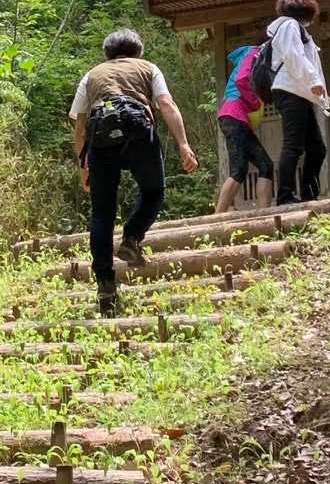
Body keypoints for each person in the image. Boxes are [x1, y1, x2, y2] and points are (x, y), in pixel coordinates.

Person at [69, 29, 198, 315]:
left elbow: (80, 123)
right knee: (154, 192)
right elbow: (166, 104)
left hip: (101, 139)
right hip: (139, 134)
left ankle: (104, 282)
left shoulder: (92, 75)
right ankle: (131, 237)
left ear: (107, 54)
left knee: (102, 213)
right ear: (138, 51)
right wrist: (183, 145)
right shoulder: (148, 67)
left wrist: (83, 163)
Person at [267, 0, 330, 205]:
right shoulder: (289, 25)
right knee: (294, 143)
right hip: (290, 90)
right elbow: (293, 56)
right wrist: (314, 81)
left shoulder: (293, 28)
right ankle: (285, 196)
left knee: (316, 148)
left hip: (297, 91)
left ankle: (308, 195)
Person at [215, 41, 275, 217]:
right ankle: (217, 217)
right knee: (239, 169)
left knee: (265, 165)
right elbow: (242, 80)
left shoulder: (249, 55)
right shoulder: (254, 53)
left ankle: (265, 214)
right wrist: (255, 102)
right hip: (234, 115)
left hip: (235, 118)